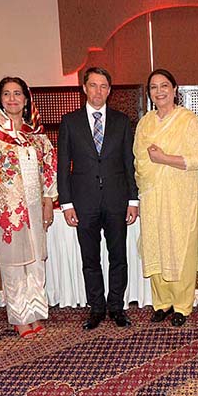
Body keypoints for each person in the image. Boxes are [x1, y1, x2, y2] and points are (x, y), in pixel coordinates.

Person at [0, 76, 57, 337]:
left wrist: (49, 199)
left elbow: (49, 167)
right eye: (7, 94)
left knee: (35, 262)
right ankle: (19, 317)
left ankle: (36, 311)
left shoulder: (35, 134)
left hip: (33, 208)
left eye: (17, 93)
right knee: (13, 264)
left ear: (26, 98)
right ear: (0, 98)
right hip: (5, 210)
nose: (13, 99)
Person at [57, 67, 138, 330]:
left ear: (109, 90)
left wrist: (133, 200)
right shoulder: (69, 122)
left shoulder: (122, 121)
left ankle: (116, 307)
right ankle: (96, 308)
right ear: (84, 88)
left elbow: (129, 163)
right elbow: (63, 166)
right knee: (90, 259)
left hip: (116, 201)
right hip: (83, 202)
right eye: (93, 85)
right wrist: (67, 203)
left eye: (104, 86)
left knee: (118, 258)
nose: (98, 91)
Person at [133, 69, 198, 327]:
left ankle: (183, 305)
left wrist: (164, 159)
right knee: (157, 246)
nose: (159, 91)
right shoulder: (145, 123)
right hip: (152, 195)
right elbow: (139, 159)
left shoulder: (187, 120)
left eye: (165, 85)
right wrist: (151, 171)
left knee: (180, 248)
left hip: (180, 196)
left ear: (175, 89)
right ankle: (161, 302)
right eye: (154, 87)